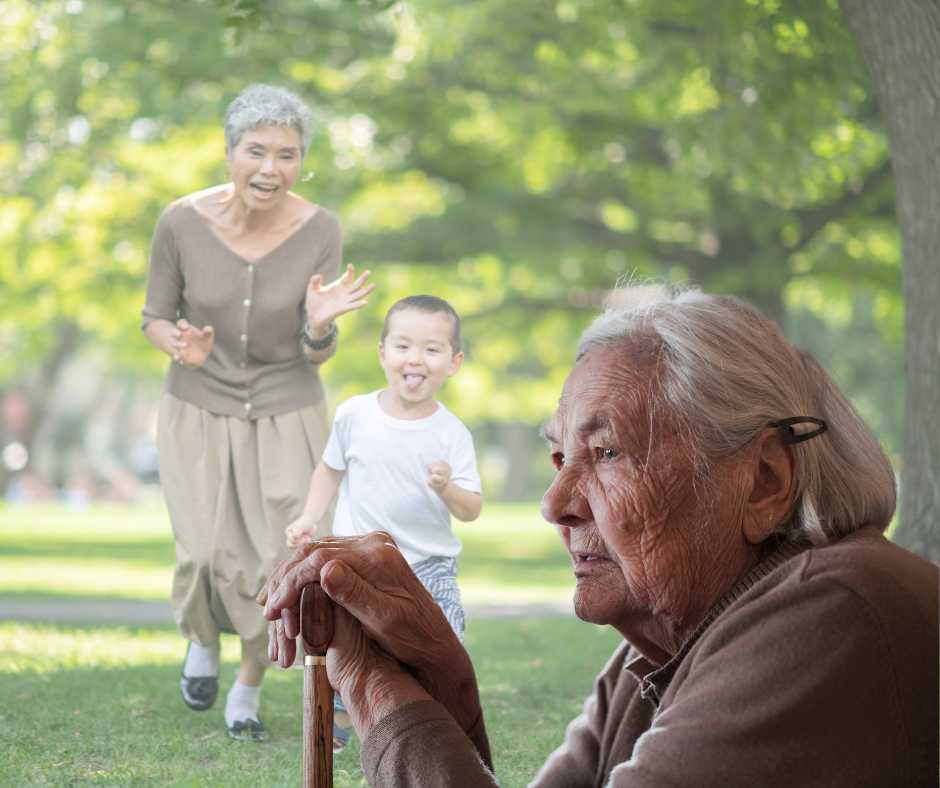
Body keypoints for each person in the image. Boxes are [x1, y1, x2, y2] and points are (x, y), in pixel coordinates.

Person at [260, 283, 939, 785]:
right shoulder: (657, 650)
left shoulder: (832, 613)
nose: (556, 504)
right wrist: (442, 675)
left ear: (762, 480)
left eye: (608, 453)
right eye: (561, 457)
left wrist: (375, 686)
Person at [142, 83, 373, 742]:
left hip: (287, 406)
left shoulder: (320, 229)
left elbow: (316, 348)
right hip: (198, 404)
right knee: (205, 551)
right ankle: (203, 641)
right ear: (229, 152)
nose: (271, 168)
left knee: (281, 554)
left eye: (288, 154)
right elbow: (155, 317)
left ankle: (246, 685)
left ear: (302, 161)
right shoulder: (180, 222)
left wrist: (321, 327)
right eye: (257, 151)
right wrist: (178, 345)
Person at [285, 294, 483, 750]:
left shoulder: (452, 433)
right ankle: (338, 705)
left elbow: (471, 508)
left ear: (453, 363)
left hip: (429, 566)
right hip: (361, 559)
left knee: (445, 646)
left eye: (432, 350)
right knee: (349, 635)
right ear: (383, 353)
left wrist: (446, 488)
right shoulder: (355, 414)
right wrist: (309, 516)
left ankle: (433, 728)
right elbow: (329, 470)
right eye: (403, 346)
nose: (416, 359)